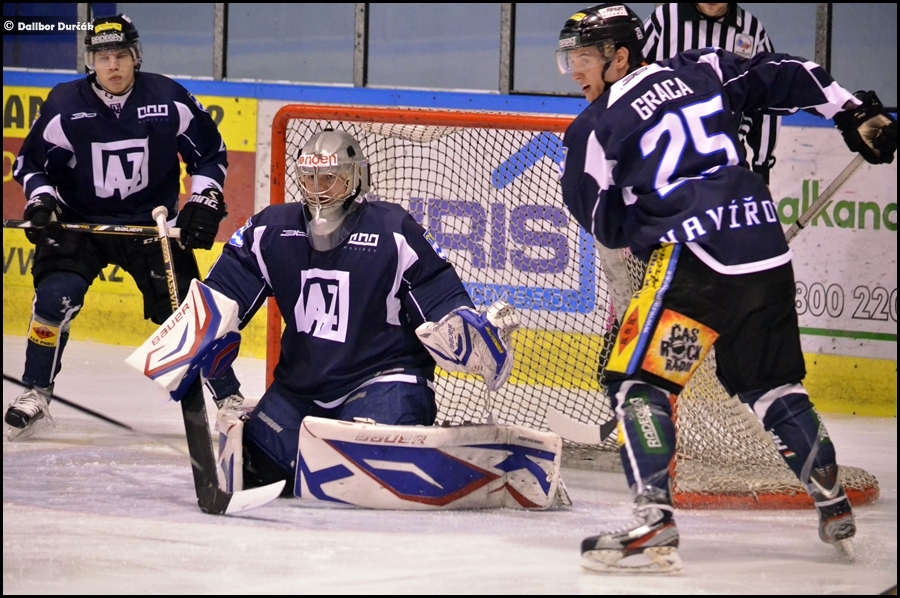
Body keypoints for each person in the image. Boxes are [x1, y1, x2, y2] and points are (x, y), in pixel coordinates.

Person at [554, 3, 896, 573]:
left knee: (638, 382)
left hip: (695, 263)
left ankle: (653, 524)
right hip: (763, 246)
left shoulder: (594, 126)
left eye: (583, 58)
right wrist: (851, 110)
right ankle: (832, 503)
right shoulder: (702, 67)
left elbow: (600, 220)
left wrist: (645, 223)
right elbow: (784, 72)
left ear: (619, 56)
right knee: (772, 386)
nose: (574, 72)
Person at [198, 129, 517, 497]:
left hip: (382, 379)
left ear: (356, 178)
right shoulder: (270, 230)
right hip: (301, 387)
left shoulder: (394, 231)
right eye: (310, 178)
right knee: (258, 469)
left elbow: (440, 297)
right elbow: (216, 304)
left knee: (368, 470)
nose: (318, 189)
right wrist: (219, 377)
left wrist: (472, 336)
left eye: (329, 179)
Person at [6, 14, 242, 441]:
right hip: (79, 223)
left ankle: (229, 399)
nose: (112, 65)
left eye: (120, 55)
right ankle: (36, 391)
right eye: (102, 57)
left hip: (151, 226)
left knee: (186, 310)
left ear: (136, 57)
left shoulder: (168, 98)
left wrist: (205, 199)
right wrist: (41, 201)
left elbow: (210, 153)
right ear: (90, 62)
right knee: (55, 298)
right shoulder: (65, 104)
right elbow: (32, 165)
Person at [643, 3, 780, 183]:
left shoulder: (752, 31)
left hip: (726, 165)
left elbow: (767, 98)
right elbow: (632, 83)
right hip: (663, 163)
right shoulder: (662, 21)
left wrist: (762, 167)